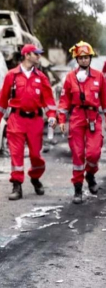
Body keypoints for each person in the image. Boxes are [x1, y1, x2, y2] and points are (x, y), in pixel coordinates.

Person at [0, 44, 57, 200]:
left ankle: (35, 178)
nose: (38, 56)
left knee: (36, 155)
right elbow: (2, 99)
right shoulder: (12, 75)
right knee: (16, 155)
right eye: (36, 54)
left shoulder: (41, 77)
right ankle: (17, 185)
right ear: (27, 55)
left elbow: (48, 100)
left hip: (35, 121)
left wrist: (52, 116)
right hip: (16, 120)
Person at [57, 41, 106, 204]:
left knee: (94, 153)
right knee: (78, 155)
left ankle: (90, 175)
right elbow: (64, 101)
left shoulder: (99, 76)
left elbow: (105, 101)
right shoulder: (70, 78)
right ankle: (78, 189)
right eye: (81, 57)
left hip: (94, 117)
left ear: (90, 58)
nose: (84, 60)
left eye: (87, 57)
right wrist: (62, 120)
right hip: (77, 116)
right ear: (77, 59)